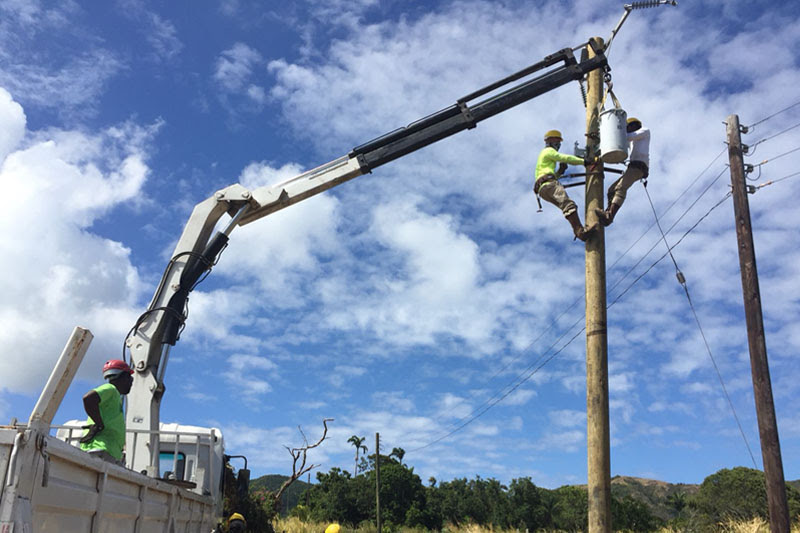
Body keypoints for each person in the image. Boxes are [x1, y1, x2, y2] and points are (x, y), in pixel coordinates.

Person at [534, 129, 597, 241]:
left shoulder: (543, 157)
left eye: (559, 141)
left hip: (543, 189)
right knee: (569, 205)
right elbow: (565, 158)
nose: (558, 144)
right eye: (557, 140)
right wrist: (585, 161)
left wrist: (560, 172)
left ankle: (579, 231)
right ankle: (580, 232)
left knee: (566, 207)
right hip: (549, 185)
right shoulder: (548, 151)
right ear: (549, 141)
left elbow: (547, 175)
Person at [596, 117, 651, 226]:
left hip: (640, 167)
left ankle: (609, 216)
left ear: (635, 125)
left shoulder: (644, 131)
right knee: (611, 190)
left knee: (620, 187)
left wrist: (612, 133)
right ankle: (608, 212)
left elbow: (626, 137)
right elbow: (621, 144)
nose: (628, 129)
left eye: (629, 127)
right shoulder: (632, 140)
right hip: (633, 167)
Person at [79, 359, 134, 465]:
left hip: (109, 452)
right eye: (130, 378)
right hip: (102, 450)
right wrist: (99, 424)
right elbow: (88, 398)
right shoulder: (111, 389)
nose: (131, 382)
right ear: (123, 377)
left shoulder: (114, 397)